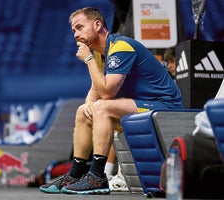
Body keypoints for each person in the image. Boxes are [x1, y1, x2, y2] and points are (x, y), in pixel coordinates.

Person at [39, 7, 183, 195]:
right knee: (83, 111)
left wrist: (89, 60)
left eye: (80, 27)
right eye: (74, 30)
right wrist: (89, 107)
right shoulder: (101, 53)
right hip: (140, 107)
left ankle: (98, 176)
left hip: (164, 107)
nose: (76, 34)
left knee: (102, 107)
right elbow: (95, 89)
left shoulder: (120, 46)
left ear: (98, 25)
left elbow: (107, 92)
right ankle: (75, 174)